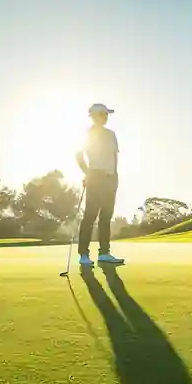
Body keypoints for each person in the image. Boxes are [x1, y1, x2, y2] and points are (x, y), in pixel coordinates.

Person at [75, 103, 125, 267]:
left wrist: (115, 176)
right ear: (95, 116)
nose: (106, 117)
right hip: (95, 177)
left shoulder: (111, 134)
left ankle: (104, 253)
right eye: (104, 114)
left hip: (111, 178)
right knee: (90, 216)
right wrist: (87, 172)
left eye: (106, 115)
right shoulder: (87, 134)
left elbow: (114, 157)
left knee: (106, 217)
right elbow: (78, 155)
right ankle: (84, 254)